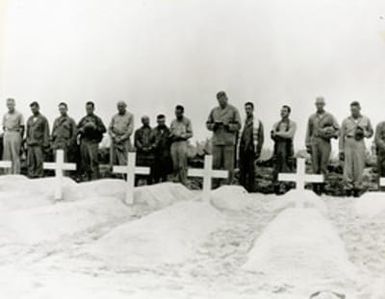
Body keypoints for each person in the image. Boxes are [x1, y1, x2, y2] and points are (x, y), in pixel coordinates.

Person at [305, 97, 339, 195]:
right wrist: (307, 144)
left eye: (321, 104)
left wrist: (331, 133)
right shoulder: (312, 117)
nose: (319, 105)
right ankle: (315, 188)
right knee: (315, 166)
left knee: (323, 165)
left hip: (325, 142)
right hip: (314, 141)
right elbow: (308, 131)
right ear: (315, 105)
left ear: (324, 105)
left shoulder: (329, 116)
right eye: (317, 104)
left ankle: (322, 187)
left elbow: (338, 129)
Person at [206, 91, 241, 185]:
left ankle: (227, 186)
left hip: (228, 142)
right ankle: (214, 185)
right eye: (219, 99)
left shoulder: (233, 110)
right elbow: (208, 124)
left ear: (226, 98)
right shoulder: (214, 111)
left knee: (228, 166)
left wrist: (228, 126)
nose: (221, 101)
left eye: (223, 99)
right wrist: (214, 126)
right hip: (217, 142)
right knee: (215, 165)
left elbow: (238, 125)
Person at [339, 101, 373, 197]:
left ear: (359, 109)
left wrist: (364, 133)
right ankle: (348, 189)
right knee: (348, 167)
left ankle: (357, 188)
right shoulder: (346, 120)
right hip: (349, 142)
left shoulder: (365, 119)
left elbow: (371, 132)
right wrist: (341, 150)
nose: (353, 111)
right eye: (352, 110)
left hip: (359, 142)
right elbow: (341, 135)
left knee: (359, 166)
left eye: (355, 109)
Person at [77, 101, 106, 181]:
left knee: (94, 161)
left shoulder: (97, 119)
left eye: (90, 108)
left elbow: (104, 129)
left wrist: (95, 127)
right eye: (87, 109)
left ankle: (95, 179)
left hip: (93, 142)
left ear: (93, 109)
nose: (88, 110)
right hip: (84, 141)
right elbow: (77, 129)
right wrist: (81, 129)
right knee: (84, 161)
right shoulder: (83, 119)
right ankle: (86, 179)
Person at [271, 105, 297, 194]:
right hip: (277, 147)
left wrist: (278, 134)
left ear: (289, 113)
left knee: (286, 166)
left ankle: (286, 186)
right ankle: (276, 186)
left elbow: (289, 135)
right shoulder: (276, 124)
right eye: (281, 111)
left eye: (285, 111)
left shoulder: (292, 124)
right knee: (277, 166)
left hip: (287, 148)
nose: (282, 112)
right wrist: (281, 134)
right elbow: (272, 134)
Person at [239, 102, 264, 192]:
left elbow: (261, 137)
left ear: (253, 109)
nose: (247, 111)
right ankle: (241, 190)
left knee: (251, 171)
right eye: (246, 109)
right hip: (242, 149)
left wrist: (258, 150)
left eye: (249, 109)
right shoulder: (242, 122)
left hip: (251, 149)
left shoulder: (257, 122)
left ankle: (251, 190)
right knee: (242, 171)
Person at [170, 105, 193, 186]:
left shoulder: (187, 121)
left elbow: (190, 133)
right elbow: (170, 132)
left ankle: (183, 181)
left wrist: (181, 136)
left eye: (179, 113)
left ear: (182, 112)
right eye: (176, 113)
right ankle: (176, 180)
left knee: (182, 163)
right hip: (174, 143)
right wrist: (171, 136)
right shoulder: (173, 122)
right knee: (175, 163)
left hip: (182, 143)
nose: (177, 114)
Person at [26, 102, 50, 178]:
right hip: (30, 143)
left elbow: (46, 131)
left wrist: (46, 144)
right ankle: (31, 174)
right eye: (32, 109)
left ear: (38, 108)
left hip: (39, 144)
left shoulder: (43, 119)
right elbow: (27, 131)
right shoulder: (30, 119)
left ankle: (39, 175)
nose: (33, 110)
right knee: (30, 161)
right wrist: (27, 141)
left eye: (34, 108)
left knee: (39, 161)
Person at [2, 98, 24, 174]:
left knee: (15, 153)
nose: (9, 106)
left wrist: (20, 137)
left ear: (14, 104)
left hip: (15, 133)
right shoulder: (5, 115)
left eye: (11, 104)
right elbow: (4, 126)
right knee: (6, 154)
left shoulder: (19, 114)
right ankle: (7, 173)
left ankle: (16, 172)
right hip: (7, 134)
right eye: (8, 104)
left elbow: (22, 127)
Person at [109, 101, 134, 167]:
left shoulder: (130, 116)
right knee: (114, 160)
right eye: (119, 106)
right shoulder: (114, 117)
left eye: (122, 106)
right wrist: (114, 136)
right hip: (115, 140)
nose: (120, 108)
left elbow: (130, 129)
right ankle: (115, 175)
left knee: (125, 160)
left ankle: (124, 176)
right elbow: (109, 129)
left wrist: (122, 138)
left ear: (125, 107)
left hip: (124, 141)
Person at [151, 114, 172, 183]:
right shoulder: (154, 130)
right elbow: (150, 141)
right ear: (157, 121)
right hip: (156, 155)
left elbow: (171, 142)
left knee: (165, 175)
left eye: (162, 121)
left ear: (165, 121)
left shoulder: (169, 131)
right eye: (159, 121)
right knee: (156, 175)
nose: (161, 123)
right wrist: (153, 145)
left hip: (166, 155)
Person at [134, 116, 154, 185]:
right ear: (142, 121)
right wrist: (142, 148)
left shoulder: (153, 131)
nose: (147, 121)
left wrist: (150, 147)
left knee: (150, 172)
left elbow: (155, 141)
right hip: (141, 155)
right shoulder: (138, 131)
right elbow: (136, 141)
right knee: (139, 171)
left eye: (148, 120)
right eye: (145, 120)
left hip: (150, 155)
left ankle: (149, 185)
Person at [375, 120, 385, 191]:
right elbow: (377, 139)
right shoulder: (380, 125)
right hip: (383, 152)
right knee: (382, 172)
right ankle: (382, 189)